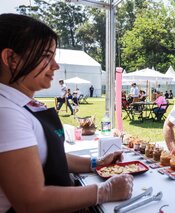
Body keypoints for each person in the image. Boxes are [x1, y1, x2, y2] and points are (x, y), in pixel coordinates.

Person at [0, 14, 133, 212]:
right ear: (11, 58)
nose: (55, 65)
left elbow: (48, 157)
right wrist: (104, 192)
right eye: (46, 56)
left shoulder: (22, 103)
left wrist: (96, 163)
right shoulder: (6, 112)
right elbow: (31, 201)